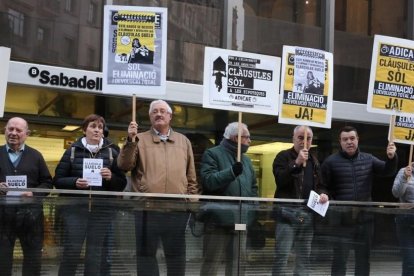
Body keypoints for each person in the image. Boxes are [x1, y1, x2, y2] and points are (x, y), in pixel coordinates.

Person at [117, 99, 200, 276]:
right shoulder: (139, 139)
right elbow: (124, 165)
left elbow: (191, 177)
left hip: (176, 210)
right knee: (146, 257)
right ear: (150, 117)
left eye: (163, 111)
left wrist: (191, 205)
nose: (159, 114)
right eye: (154, 111)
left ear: (170, 116)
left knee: (176, 257)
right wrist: (131, 140)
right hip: (147, 209)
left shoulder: (183, 141)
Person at [54, 114, 127, 276]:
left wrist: (111, 178)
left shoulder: (113, 151)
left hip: (102, 211)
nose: (97, 130)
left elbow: (121, 183)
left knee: (95, 254)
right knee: (71, 251)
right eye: (93, 126)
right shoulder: (72, 150)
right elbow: (58, 180)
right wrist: (74, 182)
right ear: (84, 130)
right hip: (75, 211)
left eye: (100, 127)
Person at [320, 125, 398, 276]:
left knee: (363, 259)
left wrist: (391, 157)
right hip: (342, 220)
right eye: (345, 139)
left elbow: (388, 171)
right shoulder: (330, 162)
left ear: (358, 140)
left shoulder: (368, 159)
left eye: (352, 138)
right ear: (340, 142)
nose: (349, 142)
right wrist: (323, 194)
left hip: (365, 219)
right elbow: (322, 186)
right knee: (339, 259)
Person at [199, 122, 258, 276]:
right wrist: (231, 172)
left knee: (238, 263)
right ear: (235, 137)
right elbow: (209, 181)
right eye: (247, 137)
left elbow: (253, 187)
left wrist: (251, 208)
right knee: (212, 261)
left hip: (240, 219)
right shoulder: (212, 154)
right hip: (218, 220)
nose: (249, 141)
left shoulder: (247, 161)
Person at [0, 117, 53, 276]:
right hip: (2, 218)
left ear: (27, 134)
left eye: (18, 130)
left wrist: (33, 193)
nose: (13, 133)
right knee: (2, 261)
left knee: (33, 260)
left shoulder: (36, 156)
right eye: (10, 129)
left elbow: (47, 183)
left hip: (31, 218)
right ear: (5, 131)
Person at [272, 125, 327, 276]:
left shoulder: (314, 161)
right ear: (293, 139)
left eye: (308, 138)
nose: (305, 142)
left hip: (307, 214)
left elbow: (320, 185)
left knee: (304, 256)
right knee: (282, 255)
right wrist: (296, 163)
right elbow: (280, 180)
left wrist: (323, 194)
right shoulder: (282, 156)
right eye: (301, 137)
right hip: (286, 215)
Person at [392, 163, 414, 276]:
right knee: (410, 261)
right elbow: (396, 193)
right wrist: (405, 177)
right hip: (406, 219)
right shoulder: (404, 171)